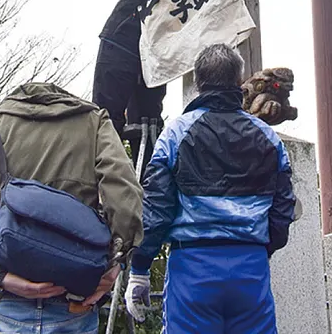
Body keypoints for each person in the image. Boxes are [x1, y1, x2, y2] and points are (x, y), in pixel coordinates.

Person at [125, 43, 296, 334]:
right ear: (237, 81)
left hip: (193, 267)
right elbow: (283, 209)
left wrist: (140, 269)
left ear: (200, 83)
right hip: (250, 265)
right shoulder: (269, 137)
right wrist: (262, 249)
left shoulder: (176, 134)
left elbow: (157, 210)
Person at [0, 82, 143, 334]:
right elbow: (123, 189)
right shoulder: (94, 123)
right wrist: (117, 261)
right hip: (74, 301)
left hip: (4, 303)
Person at [92, 0, 166, 171]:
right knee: (105, 121)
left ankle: (150, 187)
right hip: (123, 36)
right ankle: (97, 184)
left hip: (156, 43)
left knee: (149, 124)